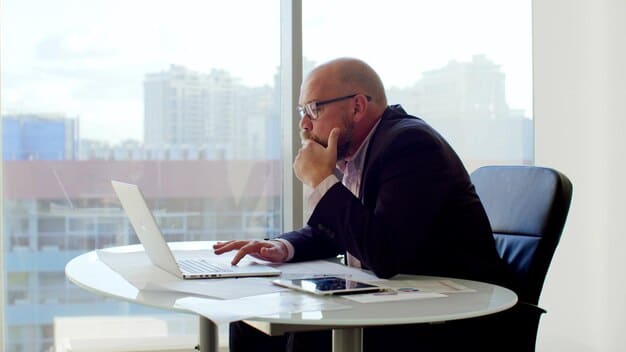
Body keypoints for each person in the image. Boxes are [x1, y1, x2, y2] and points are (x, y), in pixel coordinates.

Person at [214, 57, 512, 352]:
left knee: (308, 332)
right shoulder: (364, 153)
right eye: (301, 112)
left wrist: (321, 181)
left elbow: (384, 253)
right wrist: (282, 247)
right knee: (248, 319)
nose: (304, 125)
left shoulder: (410, 146)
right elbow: (340, 230)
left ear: (356, 107)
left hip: (447, 320)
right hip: (399, 300)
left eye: (313, 109)